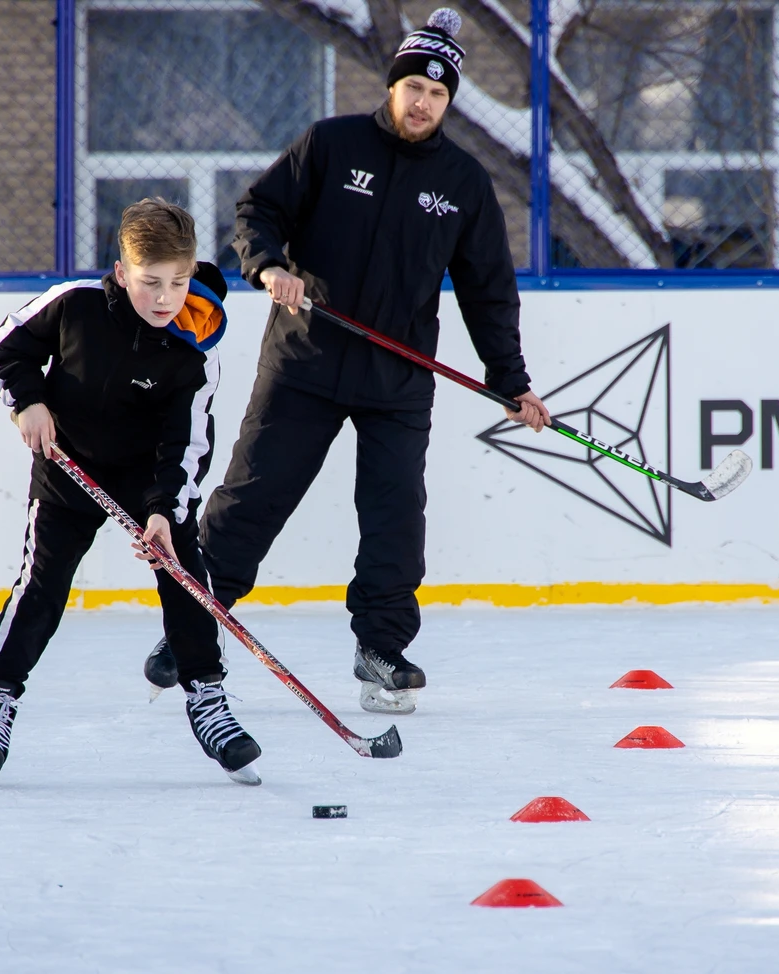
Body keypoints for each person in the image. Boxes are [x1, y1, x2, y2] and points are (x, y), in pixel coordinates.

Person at [144, 7, 550, 716]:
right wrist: (269, 268)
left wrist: (510, 382)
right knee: (249, 499)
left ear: (448, 102)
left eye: (437, 94)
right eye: (412, 89)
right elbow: (257, 212)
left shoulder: (462, 182)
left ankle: (382, 651)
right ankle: (192, 623)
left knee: (396, 519)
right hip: (304, 359)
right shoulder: (331, 145)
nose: (422, 102)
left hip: (396, 379)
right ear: (391, 87)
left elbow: (490, 291)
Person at [0, 198, 261, 789]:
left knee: (187, 578)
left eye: (177, 281)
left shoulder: (195, 344)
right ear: (122, 271)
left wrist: (165, 512)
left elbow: (188, 440)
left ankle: (207, 697)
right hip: (68, 467)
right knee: (42, 583)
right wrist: (27, 402)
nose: (165, 298)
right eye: (150, 282)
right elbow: (4, 350)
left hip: (148, 481)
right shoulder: (75, 306)